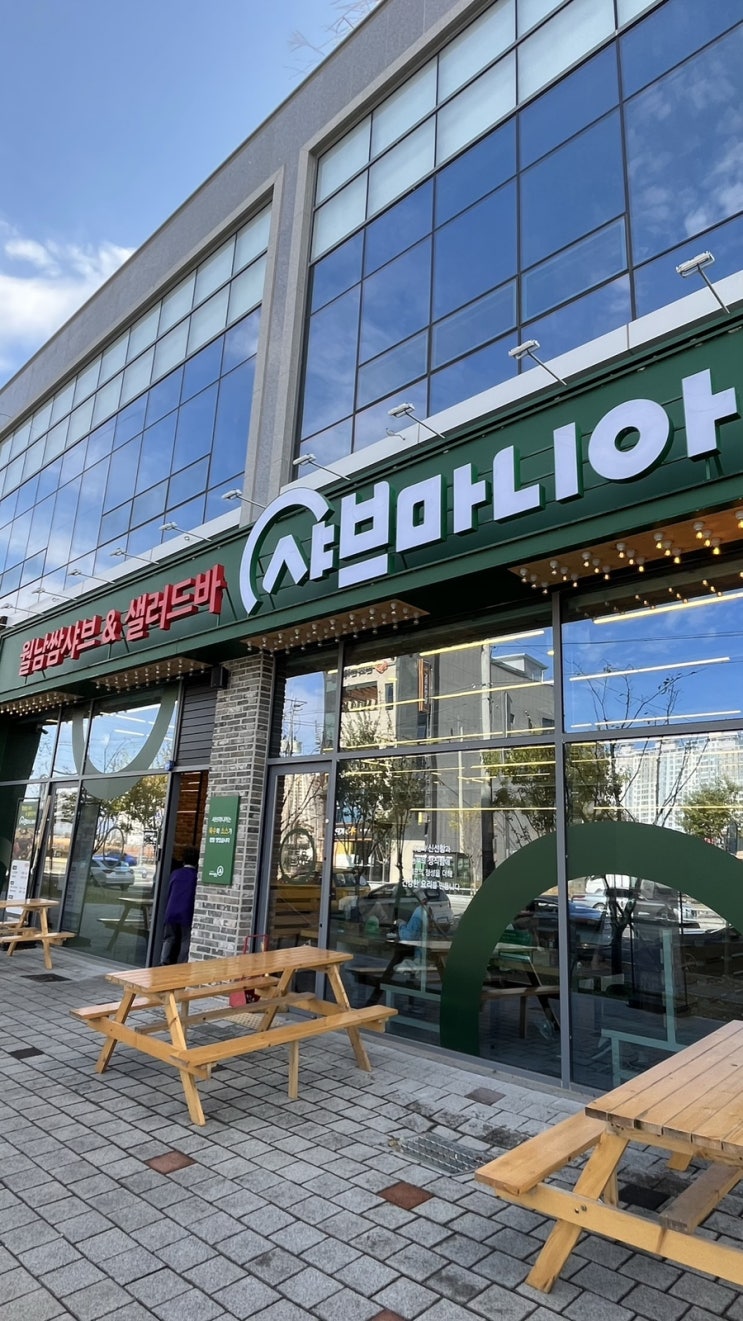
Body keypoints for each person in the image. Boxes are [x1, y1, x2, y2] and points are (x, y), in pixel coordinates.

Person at [160, 845, 199, 964]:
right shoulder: (195, 876)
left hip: (171, 911)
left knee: (169, 938)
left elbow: (168, 892)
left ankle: (163, 961)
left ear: (183, 860)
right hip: (186, 912)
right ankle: (181, 965)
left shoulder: (175, 874)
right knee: (185, 940)